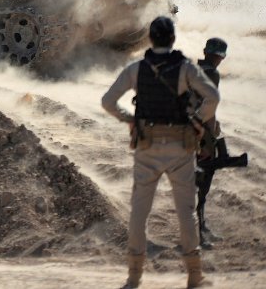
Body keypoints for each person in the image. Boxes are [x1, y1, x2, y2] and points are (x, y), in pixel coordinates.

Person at [101, 16, 220, 289]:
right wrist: (199, 121)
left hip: (147, 148)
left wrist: (128, 119)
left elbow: (107, 101)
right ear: (173, 39)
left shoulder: (136, 69)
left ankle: (133, 277)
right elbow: (213, 96)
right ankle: (194, 276)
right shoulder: (185, 69)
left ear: (150, 38)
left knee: (139, 213)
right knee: (186, 213)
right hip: (181, 148)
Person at [194, 37, 248, 248]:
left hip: (189, 130)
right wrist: (209, 138)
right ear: (219, 56)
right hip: (201, 133)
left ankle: (201, 226)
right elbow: (209, 106)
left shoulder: (193, 69)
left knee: (199, 183)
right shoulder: (211, 73)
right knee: (202, 182)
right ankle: (198, 232)